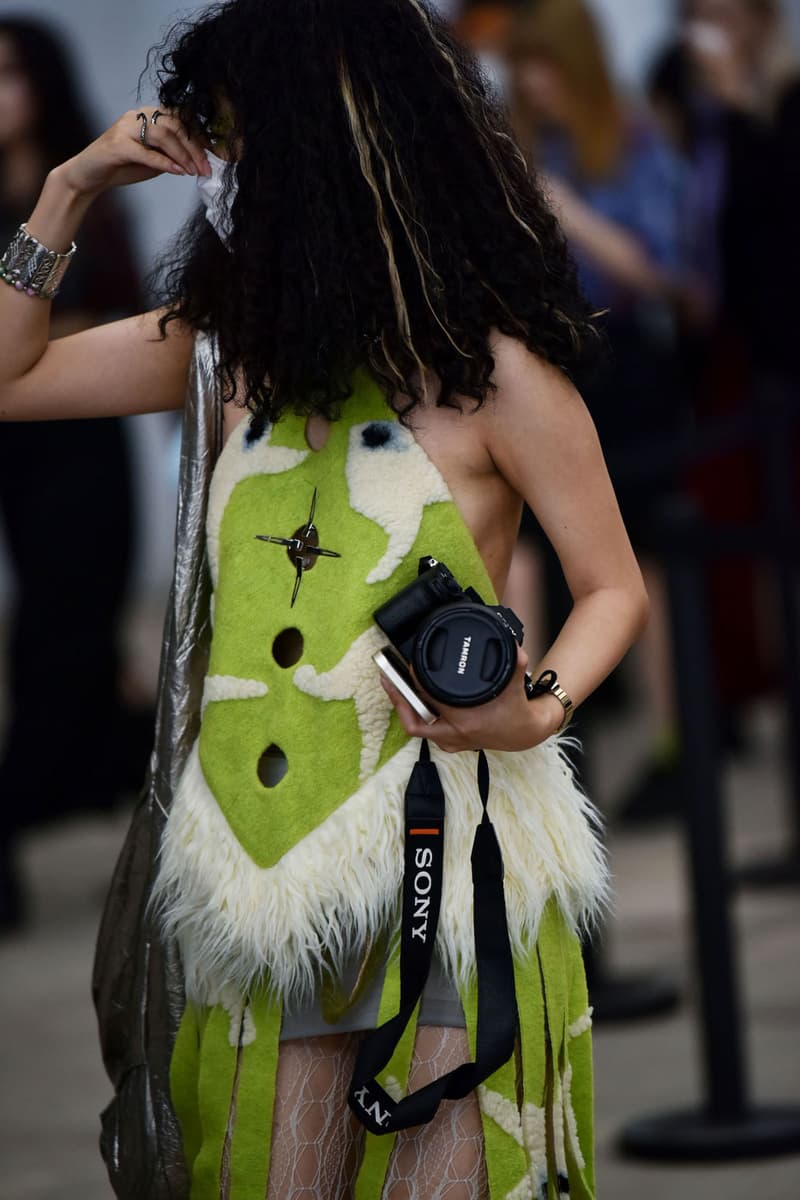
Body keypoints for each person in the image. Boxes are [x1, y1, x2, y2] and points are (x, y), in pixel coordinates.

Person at [0, 1, 648, 1196]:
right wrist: (69, 188)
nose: (224, 185)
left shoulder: (495, 372)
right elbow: (14, 376)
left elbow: (610, 584)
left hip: (451, 862)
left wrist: (536, 707)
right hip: (259, 865)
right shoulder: (220, 350)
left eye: (245, 153)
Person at [505, 0, 685, 820]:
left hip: (626, 370)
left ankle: (673, 740)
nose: (535, 84)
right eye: (524, 67)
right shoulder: (520, 145)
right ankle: (531, 745)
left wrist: (567, 212)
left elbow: (661, 270)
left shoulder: (634, 142)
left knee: (638, 555)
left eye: (546, 66)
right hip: (555, 367)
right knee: (531, 553)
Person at [0, 16, 144, 932]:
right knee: (52, 648)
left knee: (71, 634)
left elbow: (128, 318)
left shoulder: (88, 187)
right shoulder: (61, 195)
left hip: (87, 447)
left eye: (10, 73)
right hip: (18, 450)